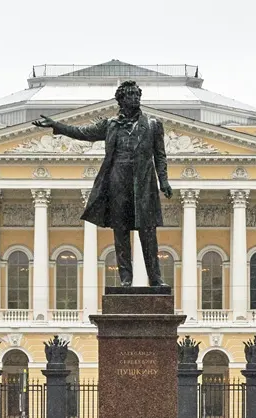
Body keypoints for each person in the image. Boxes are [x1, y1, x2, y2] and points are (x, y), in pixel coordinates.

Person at [32, 80, 173, 287]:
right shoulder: (110, 125)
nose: (136, 98)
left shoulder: (153, 125)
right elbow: (83, 133)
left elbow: (160, 155)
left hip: (143, 185)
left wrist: (164, 180)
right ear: (121, 99)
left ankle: (155, 278)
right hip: (118, 182)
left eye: (137, 94)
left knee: (148, 232)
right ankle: (126, 279)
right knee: (120, 232)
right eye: (131, 95)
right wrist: (57, 126)